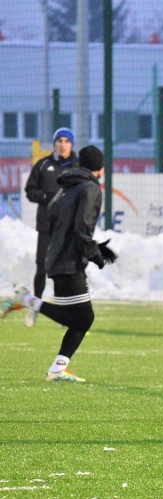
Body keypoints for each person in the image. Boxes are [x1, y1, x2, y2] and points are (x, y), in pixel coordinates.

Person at [1, 145, 116, 382]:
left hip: (57, 257)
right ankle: (26, 299)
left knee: (79, 318)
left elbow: (54, 219)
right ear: (100, 169)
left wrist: (89, 248)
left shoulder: (66, 187)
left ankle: (58, 367)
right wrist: (96, 255)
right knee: (82, 318)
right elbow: (82, 228)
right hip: (69, 261)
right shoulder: (91, 188)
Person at [21, 127, 78, 327]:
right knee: (42, 267)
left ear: (72, 144)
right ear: (54, 143)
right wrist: (45, 197)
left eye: (66, 141)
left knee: (64, 271)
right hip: (46, 226)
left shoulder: (78, 166)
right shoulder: (43, 165)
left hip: (67, 228)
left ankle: (66, 314)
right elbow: (30, 190)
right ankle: (35, 307)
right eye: (59, 141)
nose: (62, 145)